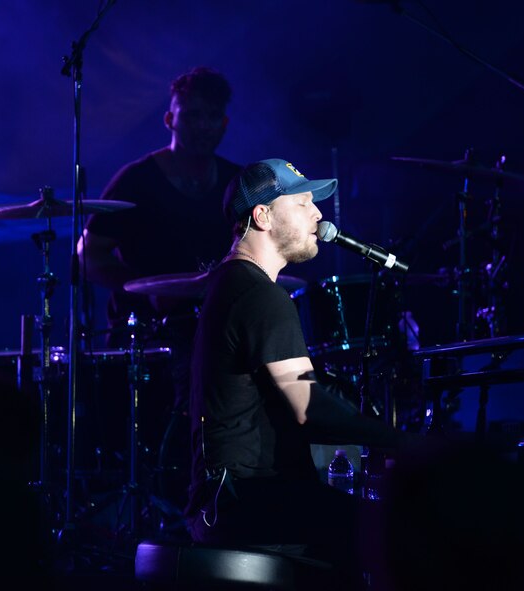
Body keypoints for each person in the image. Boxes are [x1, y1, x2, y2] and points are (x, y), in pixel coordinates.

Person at [185, 158, 410, 589]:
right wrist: (399, 439)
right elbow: (310, 408)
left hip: (228, 501)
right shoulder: (259, 295)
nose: (319, 215)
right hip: (251, 504)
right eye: (304, 202)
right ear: (262, 215)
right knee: (398, 534)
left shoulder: (232, 285)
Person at [77, 66, 242, 516]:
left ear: (224, 124)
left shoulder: (238, 182)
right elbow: (89, 255)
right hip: (146, 334)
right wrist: (143, 290)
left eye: (212, 117)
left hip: (216, 330)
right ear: (169, 120)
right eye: (190, 116)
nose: (202, 126)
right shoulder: (137, 179)